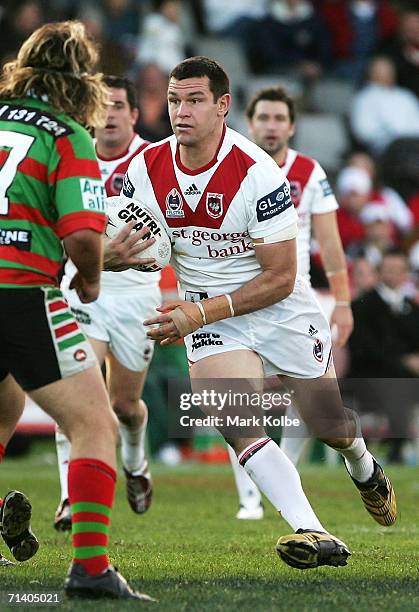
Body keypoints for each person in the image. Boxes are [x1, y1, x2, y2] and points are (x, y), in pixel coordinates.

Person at [126, 56, 396, 570]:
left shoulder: (258, 172)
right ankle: (310, 530)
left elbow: (279, 278)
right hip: (212, 316)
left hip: (278, 309)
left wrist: (199, 314)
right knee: (233, 416)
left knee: (329, 425)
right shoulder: (147, 168)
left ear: (223, 106)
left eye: (195, 100)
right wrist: (119, 254)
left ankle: (362, 464)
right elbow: (137, 242)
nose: (181, 112)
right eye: (174, 100)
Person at [0, 21, 152, 600]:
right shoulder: (67, 135)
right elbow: (84, 236)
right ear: (77, 78)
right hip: (22, 295)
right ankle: (91, 568)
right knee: (93, 423)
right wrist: (90, 277)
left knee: (4, 407)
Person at [224, 86, 354, 519]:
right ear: (250, 121)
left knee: (309, 400)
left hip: (293, 298)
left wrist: (344, 302)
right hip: (241, 296)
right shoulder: (231, 164)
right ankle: (249, 500)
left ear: (292, 126)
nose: (272, 126)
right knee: (238, 397)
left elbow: (331, 245)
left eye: (280, 118)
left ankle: (286, 471)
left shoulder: (309, 171)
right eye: (264, 118)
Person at [53, 75, 158, 530]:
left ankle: (135, 463)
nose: (110, 114)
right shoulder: (72, 156)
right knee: (74, 396)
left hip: (137, 295)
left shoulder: (154, 160)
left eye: (119, 105)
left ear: (134, 114)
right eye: (103, 105)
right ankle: (68, 499)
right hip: (82, 288)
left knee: (125, 406)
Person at [348, 249, 419, 463]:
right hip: (367, 374)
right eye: (389, 270)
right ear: (379, 272)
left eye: (399, 270)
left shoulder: (412, 308)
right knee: (397, 383)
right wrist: (404, 361)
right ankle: (395, 449)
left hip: (405, 375)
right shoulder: (362, 305)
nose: (394, 275)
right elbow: (363, 348)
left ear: (406, 273)